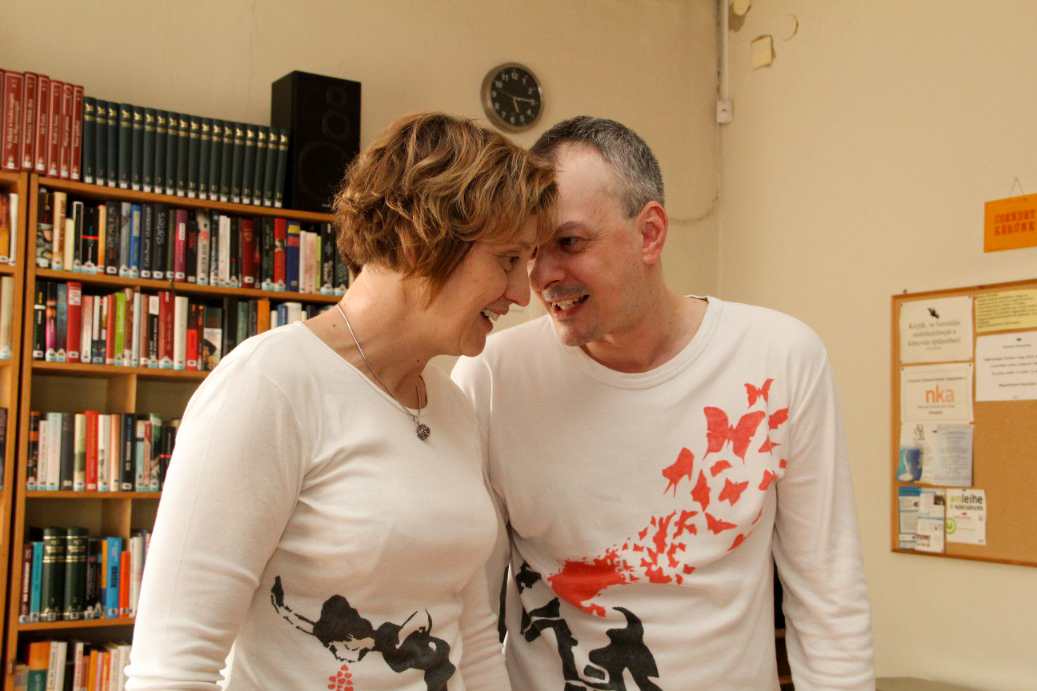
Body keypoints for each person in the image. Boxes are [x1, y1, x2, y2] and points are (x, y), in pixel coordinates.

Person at [125, 112, 557, 690]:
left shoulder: (452, 405)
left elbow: (474, 639)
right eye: (508, 259)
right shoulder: (270, 386)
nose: (522, 293)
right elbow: (174, 668)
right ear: (418, 239)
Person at [451, 116, 874, 689]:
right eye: (530, 251)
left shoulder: (780, 359)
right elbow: (471, 614)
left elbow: (829, 598)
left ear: (650, 233)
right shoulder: (493, 376)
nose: (541, 277)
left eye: (569, 243)